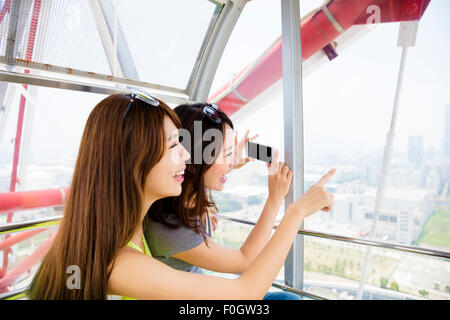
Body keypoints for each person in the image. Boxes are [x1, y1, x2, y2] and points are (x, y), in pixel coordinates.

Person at [27, 92, 335, 300]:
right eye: (175, 146)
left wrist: (227, 161)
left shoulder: (126, 228)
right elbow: (245, 292)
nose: (188, 155)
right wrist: (294, 212)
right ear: (136, 160)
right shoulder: (123, 262)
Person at [144, 103, 327, 300]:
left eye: (230, 152)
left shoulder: (187, 198)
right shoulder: (169, 229)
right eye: (223, 153)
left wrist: (227, 161)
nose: (231, 161)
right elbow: (245, 261)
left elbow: (202, 175)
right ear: (195, 159)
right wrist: (275, 200)